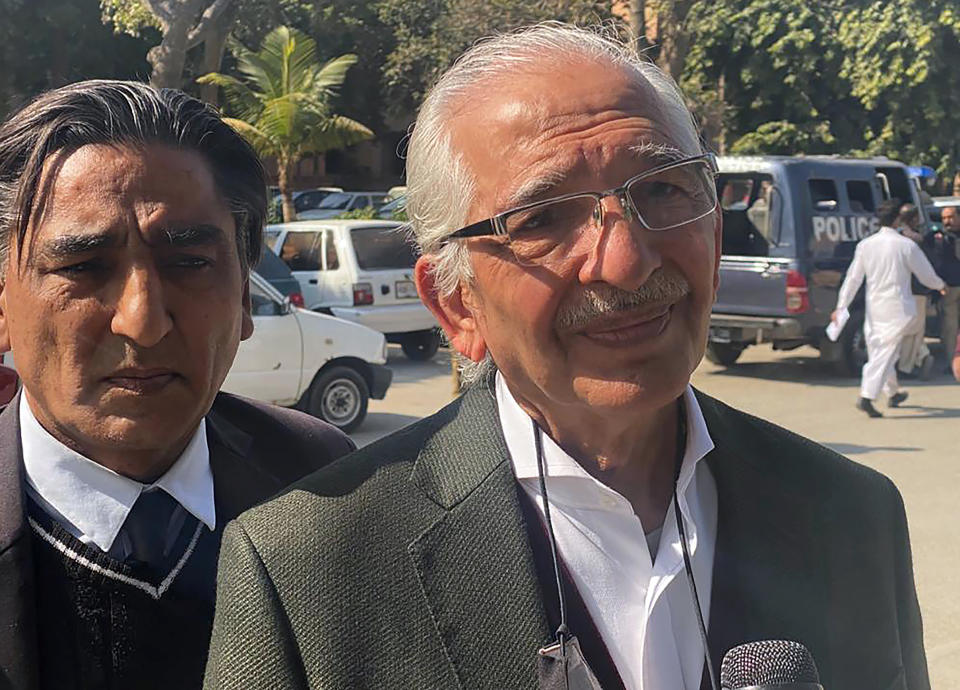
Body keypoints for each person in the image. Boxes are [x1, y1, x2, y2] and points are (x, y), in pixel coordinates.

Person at [206, 24, 930, 690]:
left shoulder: (851, 516)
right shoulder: (309, 571)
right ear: (456, 305)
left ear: (713, 233)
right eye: (544, 219)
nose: (624, 262)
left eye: (661, 190)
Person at [0, 80, 354, 690]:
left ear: (245, 293)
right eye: (83, 267)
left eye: (189, 262)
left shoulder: (327, 486)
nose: (142, 319)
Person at [833, 200, 945, 418]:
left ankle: (893, 393)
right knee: (884, 353)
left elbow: (853, 280)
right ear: (898, 220)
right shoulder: (906, 245)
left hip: (875, 308)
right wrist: (940, 286)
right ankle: (867, 396)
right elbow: (926, 275)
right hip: (899, 309)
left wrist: (841, 306)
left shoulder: (866, 245)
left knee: (881, 352)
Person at [894, 203, 935, 378]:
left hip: (898, 291)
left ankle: (915, 359)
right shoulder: (917, 239)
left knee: (903, 330)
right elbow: (926, 267)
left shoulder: (894, 238)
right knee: (915, 330)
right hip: (917, 290)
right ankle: (915, 361)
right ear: (914, 219)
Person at [924, 205, 960, 370]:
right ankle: (952, 362)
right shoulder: (936, 237)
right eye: (944, 218)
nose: (947, 221)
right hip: (949, 287)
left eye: (951, 217)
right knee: (949, 327)